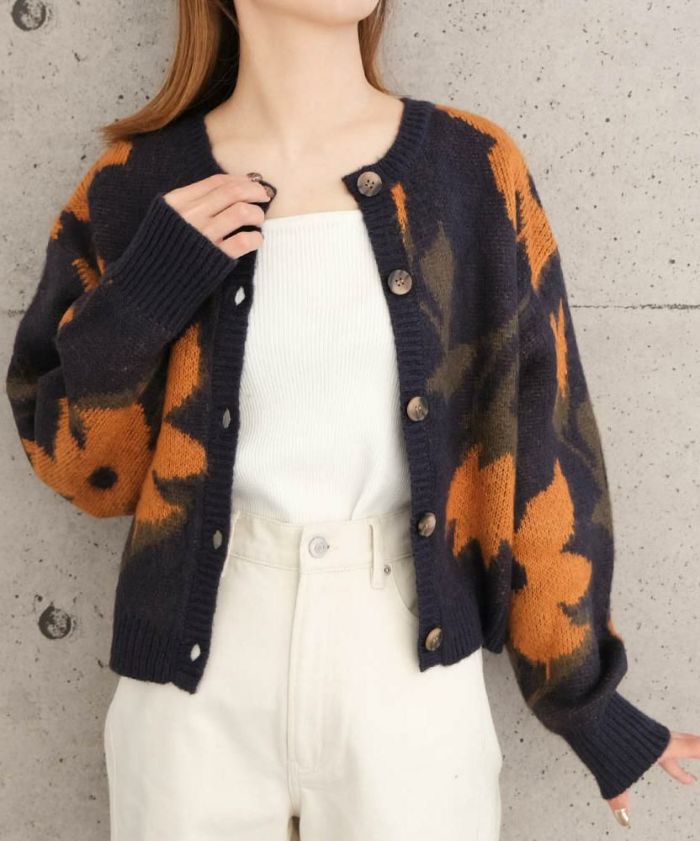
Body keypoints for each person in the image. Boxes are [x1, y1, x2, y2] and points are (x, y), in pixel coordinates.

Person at [6, 1, 699, 839]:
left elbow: (545, 447)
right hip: (193, 690)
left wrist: (586, 700)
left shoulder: (472, 169)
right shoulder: (134, 183)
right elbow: (83, 474)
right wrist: (142, 297)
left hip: (407, 672)